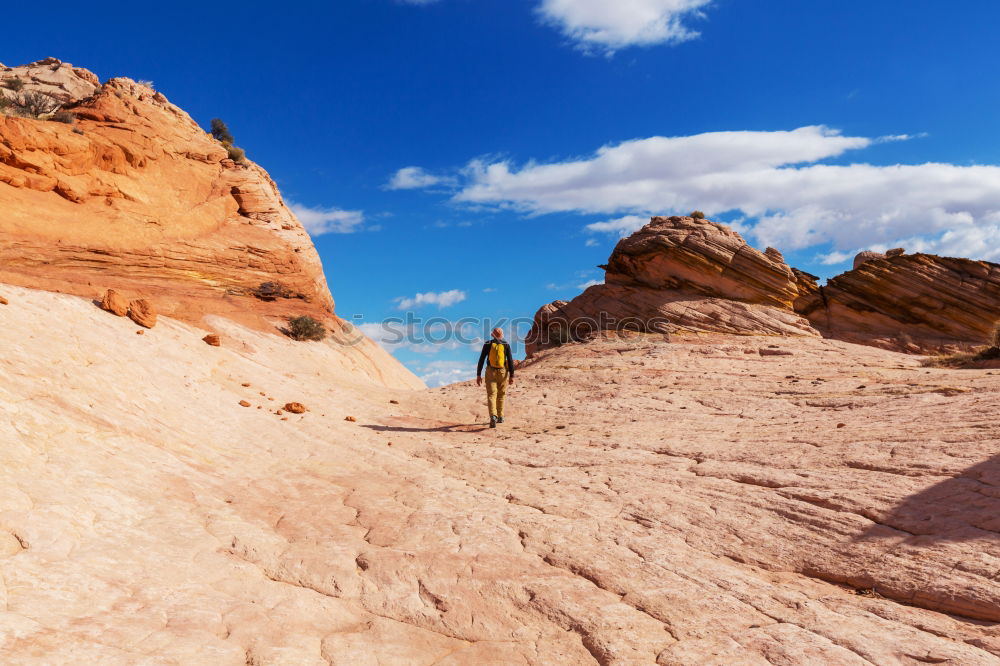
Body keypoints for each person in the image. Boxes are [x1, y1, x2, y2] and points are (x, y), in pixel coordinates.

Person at [476, 328, 515, 428]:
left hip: (490, 371)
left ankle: (493, 416)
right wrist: (512, 376)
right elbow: (510, 360)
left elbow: (481, 359)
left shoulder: (488, 344)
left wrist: (478, 374)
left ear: (493, 335)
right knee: (501, 394)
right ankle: (500, 416)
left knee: (491, 395)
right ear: (501, 335)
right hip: (502, 372)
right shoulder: (506, 344)